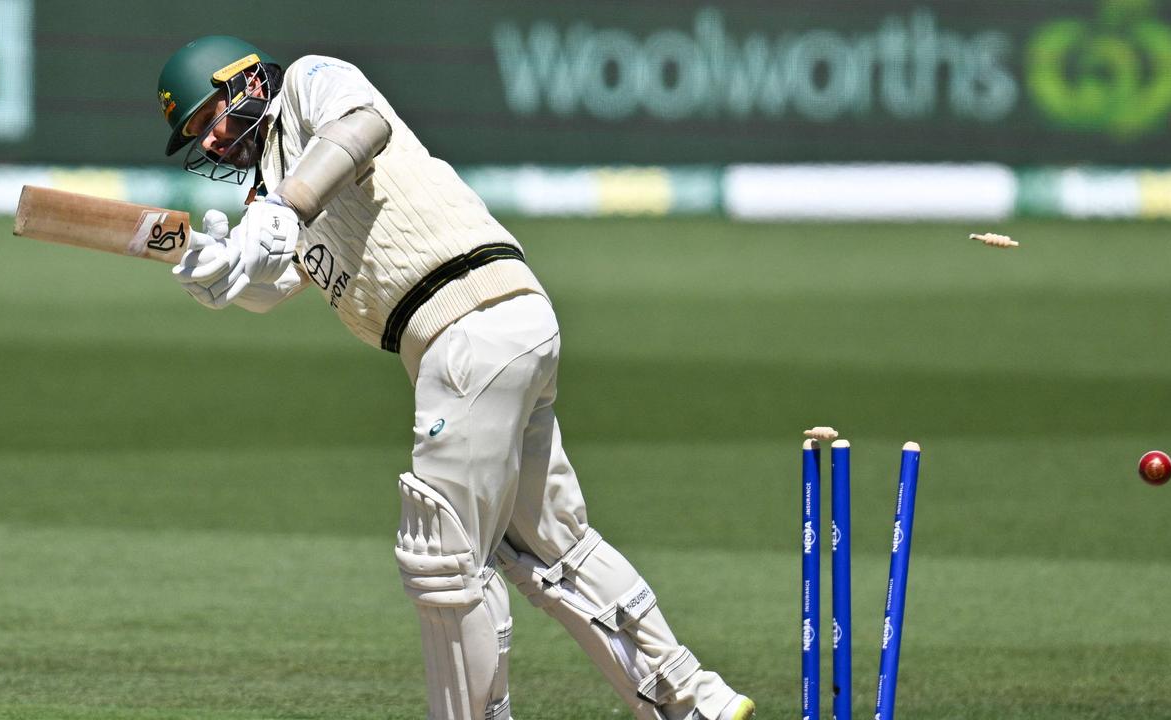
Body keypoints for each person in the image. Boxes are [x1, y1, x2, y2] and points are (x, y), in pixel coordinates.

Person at [156, 35, 754, 720]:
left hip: (464, 322)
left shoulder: (311, 84)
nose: (211, 142)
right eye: (197, 135)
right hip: (501, 328)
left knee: (443, 561)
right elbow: (274, 277)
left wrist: (282, 208)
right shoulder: (273, 191)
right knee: (550, 543)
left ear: (249, 84)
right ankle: (693, 698)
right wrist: (224, 274)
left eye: (213, 117)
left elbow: (364, 126)